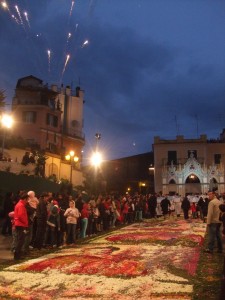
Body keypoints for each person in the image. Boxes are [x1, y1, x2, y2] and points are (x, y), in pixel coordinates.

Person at [13, 192, 29, 260]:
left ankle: (17, 255)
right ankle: (17, 255)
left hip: (19, 224)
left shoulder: (19, 204)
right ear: (25, 199)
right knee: (20, 240)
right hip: (20, 224)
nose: (28, 201)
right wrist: (25, 223)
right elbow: (21, 216)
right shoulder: (21, 205)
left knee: (19, 240)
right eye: (27, 199)